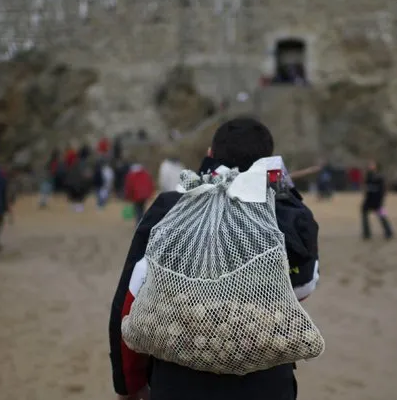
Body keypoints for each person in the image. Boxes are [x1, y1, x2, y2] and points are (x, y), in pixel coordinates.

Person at [109, 117, 320, 400]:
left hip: (178, 382)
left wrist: (129, 385)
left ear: (210, 154)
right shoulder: (286, 214)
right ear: (267, 160)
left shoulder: (172, 207)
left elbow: (130, 299)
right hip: (265, 384)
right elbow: (303, 287)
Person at [361, 160, 393, 240]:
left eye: (372, 165)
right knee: (364, 213)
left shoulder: (380, 177)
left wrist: (381, 200)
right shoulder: (368, 176)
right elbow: (366, 187)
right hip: (368, 200)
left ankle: (388, 232)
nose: (370, 166)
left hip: (378, 200)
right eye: (369, 165)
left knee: (382, 216)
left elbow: (383, 190)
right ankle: (367, 233)